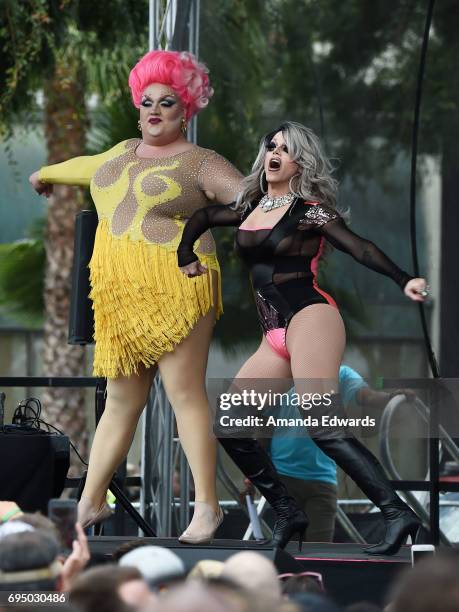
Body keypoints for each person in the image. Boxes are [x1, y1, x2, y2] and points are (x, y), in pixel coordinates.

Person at [177, 120, 427, 554]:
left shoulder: (310, 210)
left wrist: (403, 279)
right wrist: (185, 256)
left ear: (299, 163)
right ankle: (289, 510)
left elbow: (359, 246)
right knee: (232, 425)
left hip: (311, 317)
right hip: (273, 331)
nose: (274, 153)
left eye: (286, 149)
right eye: (271, 145)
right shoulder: (249, 207)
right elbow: (201, 217)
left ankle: (395, 511)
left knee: (322, 424)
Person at [29, 49, 243, 543]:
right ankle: (89, 502)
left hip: (178, 280)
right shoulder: (122, 151)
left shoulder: (200, 162)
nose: (153, 110)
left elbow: (252, 198)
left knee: (183, 392)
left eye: (166, 102)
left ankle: (207, 508)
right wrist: (47, 172)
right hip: (120, 291)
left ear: (185, 108)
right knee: (122, 399)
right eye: (146, 101)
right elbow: (86, 167)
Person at [264, 366, 414, 542]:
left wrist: (392, 396)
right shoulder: (285, 377)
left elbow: (368, 396)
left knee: (319, 548)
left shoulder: (340, 374)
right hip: (283, 476)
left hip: (322, 479)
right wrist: (256, 474)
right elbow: (264, 428)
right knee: (284, 548)